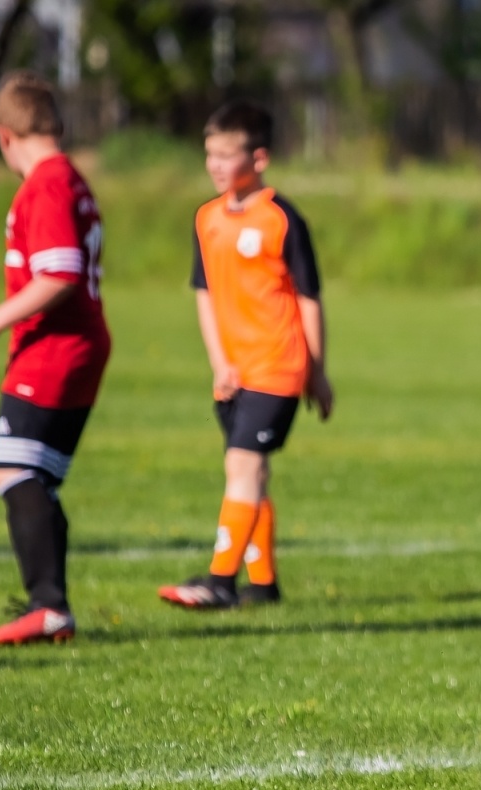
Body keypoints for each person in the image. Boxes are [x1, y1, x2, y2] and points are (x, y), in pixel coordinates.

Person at [159, 101, 333, 609]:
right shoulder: (207, 218)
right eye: (208, 154)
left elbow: (308, 298)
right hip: (233, 371)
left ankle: (219, 579)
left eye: (225, 155)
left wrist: (317, 372)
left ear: (258, 159)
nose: (213, 165)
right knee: (250, 473)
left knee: (243, 464)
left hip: (278, 365)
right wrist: (219, 361)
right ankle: (263, 583)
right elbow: (205, 293)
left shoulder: (282, 218)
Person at [0, 71, 110, 646]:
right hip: (78, 344)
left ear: (4, 137)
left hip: (55, 346)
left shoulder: (45, 184)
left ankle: (49, 605)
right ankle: (49, 604)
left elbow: (61, 271)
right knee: (33, 475)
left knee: (13, 467)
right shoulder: (69, 177)